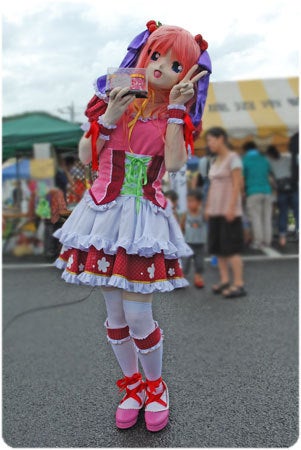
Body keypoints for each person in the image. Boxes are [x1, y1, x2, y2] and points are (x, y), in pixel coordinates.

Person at [53, 21, 211, 432]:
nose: (160, 67)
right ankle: (133, 386)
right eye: (155, 55)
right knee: (114, 314)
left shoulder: (175, 115)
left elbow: (174, 164)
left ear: (187, 73)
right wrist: (109, 115)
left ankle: (157, 387)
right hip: (103, 215)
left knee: (140, 317)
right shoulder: (111, 95)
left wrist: (177, 110)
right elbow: (87, 156)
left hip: (141, 218)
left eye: (175, 63)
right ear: (142, 55)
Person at [204, 127, 246, 298]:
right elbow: (213, 186)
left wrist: (231, 207)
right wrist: (207, 207)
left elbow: (238, 184)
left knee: (232, 249)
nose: (209, 144)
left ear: (221, 139)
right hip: (215, 211)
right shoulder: (215, 161)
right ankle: (224, 280)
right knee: (218, 248)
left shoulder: (233, 158)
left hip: (229, 211)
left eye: (211, 140)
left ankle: (239, 284)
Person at [242, 141, 273, 249]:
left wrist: (243, 192)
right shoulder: (264, 159)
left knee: (255, 217)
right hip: (267, 191)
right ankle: (267, 241)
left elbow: (242, 177)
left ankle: (258, 241)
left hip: (253, 191)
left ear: (245, 150)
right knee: (267, 217)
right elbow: (270, 173)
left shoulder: (245, 160)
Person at [266, 145, 299, 247]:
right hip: (293, 188)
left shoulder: (270, 162)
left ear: (270, 154)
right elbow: (296, 170)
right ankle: (295, 231)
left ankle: (283, 236)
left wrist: (275, 186)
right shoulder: (288, 159)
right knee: (296, 212)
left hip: (281, 189)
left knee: (283, 213)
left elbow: (270, 176)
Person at [181, 189, 206, 288]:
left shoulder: (202, 213)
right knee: (185, 261)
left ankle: (198, 277)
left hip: (200, 243)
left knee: (199, 262)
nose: (189, 204)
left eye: (192, 201)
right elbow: (181, 225)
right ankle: (182, 276)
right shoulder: (186, 214)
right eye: (188, 201)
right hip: (188, 243)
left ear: (199, 202)